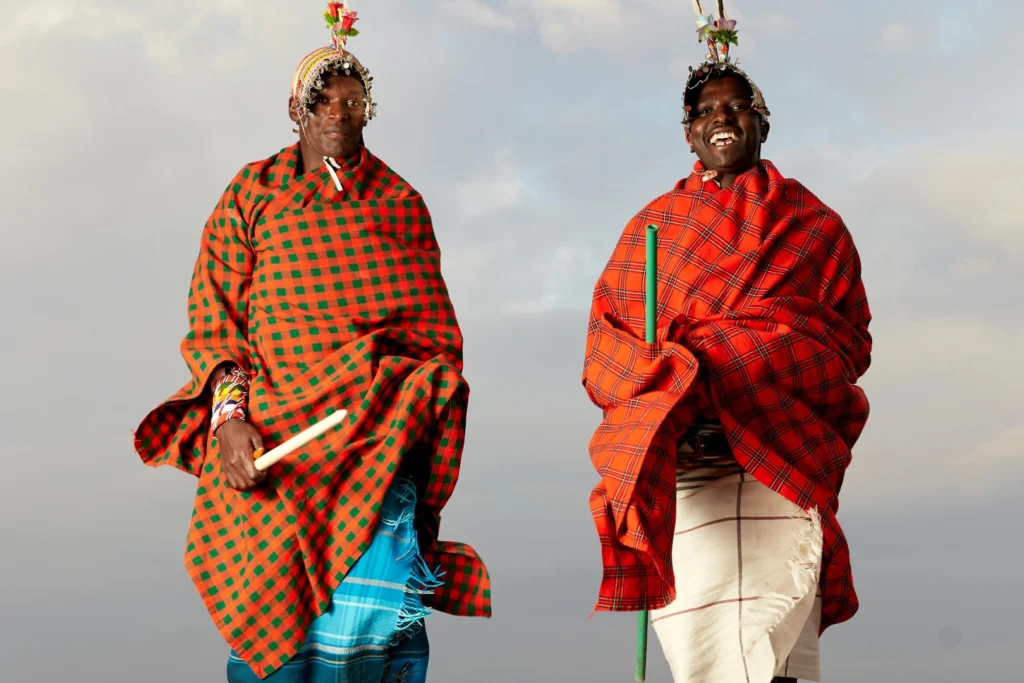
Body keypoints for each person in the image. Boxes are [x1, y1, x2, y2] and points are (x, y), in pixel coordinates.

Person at [132, 4, 491, 681]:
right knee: (273, 613)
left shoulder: (401, 203)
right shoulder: (251, 194)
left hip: (376, 436)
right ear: (294, 110)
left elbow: (435, 338)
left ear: (368, 112)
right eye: (322, 101)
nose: (337, 114)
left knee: (371, 622)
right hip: (275, 438)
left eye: (352, 102)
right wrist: (228, 419)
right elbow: (215, 319)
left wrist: (415, 403)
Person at [581, 7, 871, 683]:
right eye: (706, 110)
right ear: (687, 131)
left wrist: (736, 355)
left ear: (763, 122)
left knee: (776, 631)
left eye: (738, 106)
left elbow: (844, 343)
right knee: (709, 643)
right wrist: (665, 372)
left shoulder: (814, 224)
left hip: (778, 456)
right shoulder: (652, 226)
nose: (722, 118)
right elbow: (604, 348)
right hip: (687, 470)